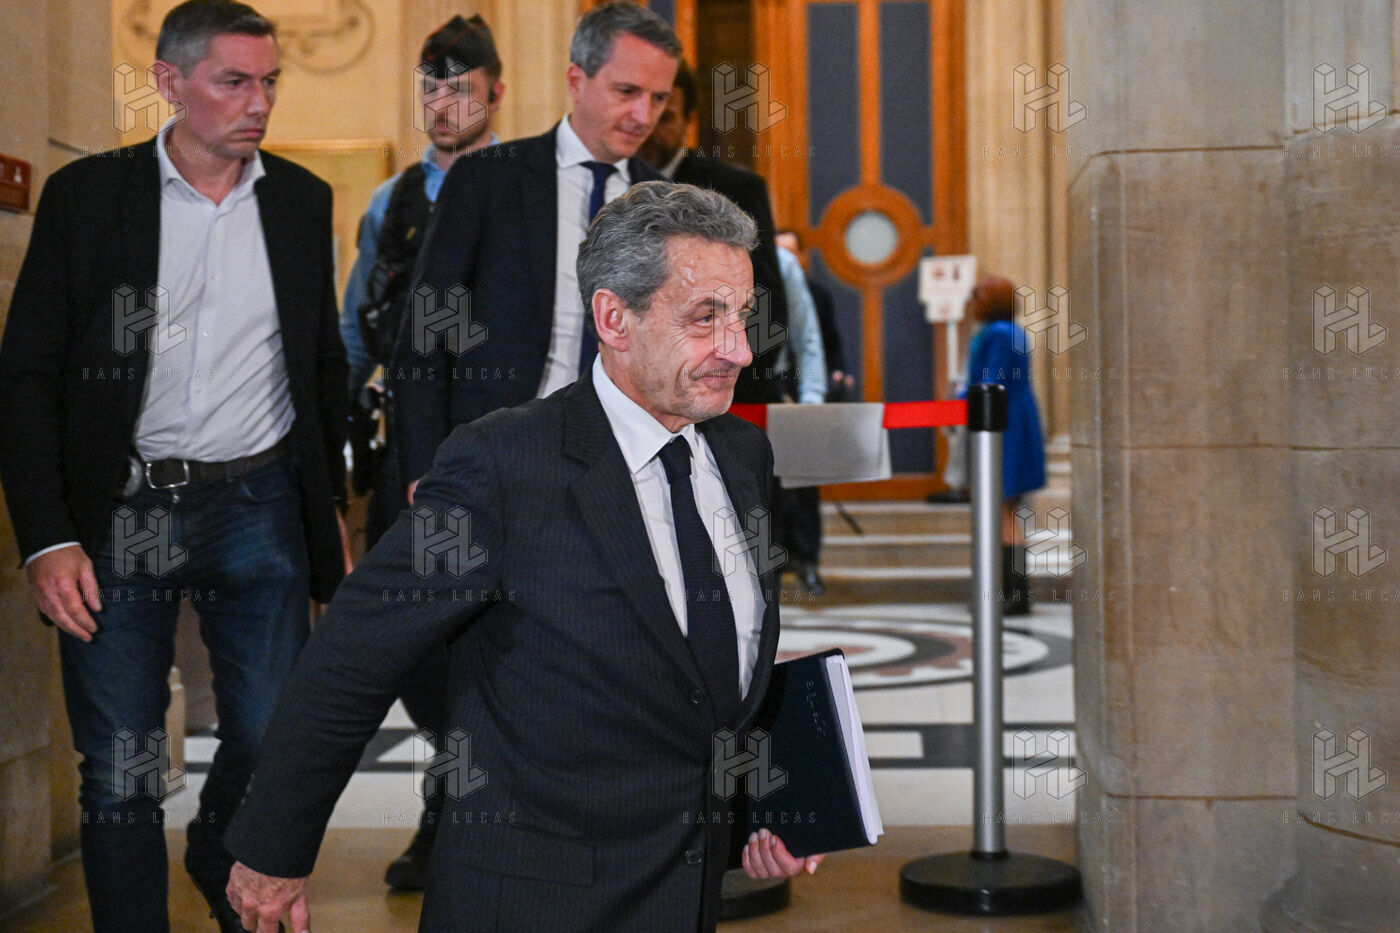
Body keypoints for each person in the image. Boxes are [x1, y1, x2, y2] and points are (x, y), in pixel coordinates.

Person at [223, 182, 824, 933]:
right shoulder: (504, 464)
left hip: (684, 894)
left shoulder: (741, 456)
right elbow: (352, 656)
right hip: (533, 901)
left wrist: (763, 807)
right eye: (706, 317)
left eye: (741, 316)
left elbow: (711, 673)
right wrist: (274, 849)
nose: (738, 348)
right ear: (614, 318)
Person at [0, 2, 349, 931]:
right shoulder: (89, 197)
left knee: (273, 740)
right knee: (123, 768)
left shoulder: (301, 201)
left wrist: (327, 524)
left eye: (269, 82)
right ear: (169, 82)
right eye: (234, 81)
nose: (258, 103)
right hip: (121, 514)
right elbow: (26, 375)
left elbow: (319, 367)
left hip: (259, 500)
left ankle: (218, 849)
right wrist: (47, 536)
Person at [338, 15, 506, 891]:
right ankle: (455, 775)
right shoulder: (391, 202)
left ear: (496, 93)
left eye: (460, 87)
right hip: (408, 451)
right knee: (410, 639)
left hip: (503, 447)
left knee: (498, 637)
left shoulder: (524, 190)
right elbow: (355, 325)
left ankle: (467, 807)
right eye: (431, 87)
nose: (443, 103)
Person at [389, 0, 678, 501]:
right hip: (496, 455)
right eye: (627, 92)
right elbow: (427, 331)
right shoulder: (487, 179)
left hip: (624, 466)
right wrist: (423, 468)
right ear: (576, 80)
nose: (643, 115)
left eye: (658, 99)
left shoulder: (666, 205)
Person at [639, 60, 790, 403]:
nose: (649, 129)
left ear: (688, 119)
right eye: (643, 117)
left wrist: (727, 380)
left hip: (726, 389)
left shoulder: (735, 189)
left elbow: (765, 301)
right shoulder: (608, 186)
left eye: (664, 118)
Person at [962, 274, 1046, 615]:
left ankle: (1014, 593)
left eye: (977, 297)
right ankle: (1012, 591)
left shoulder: (996, 333)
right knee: (1007, 510)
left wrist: (957, 403)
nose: (972, 304)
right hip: (1017, 419)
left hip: (1003, 425)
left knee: (1003, 511)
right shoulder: (1014, 331)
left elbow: (989, 381)